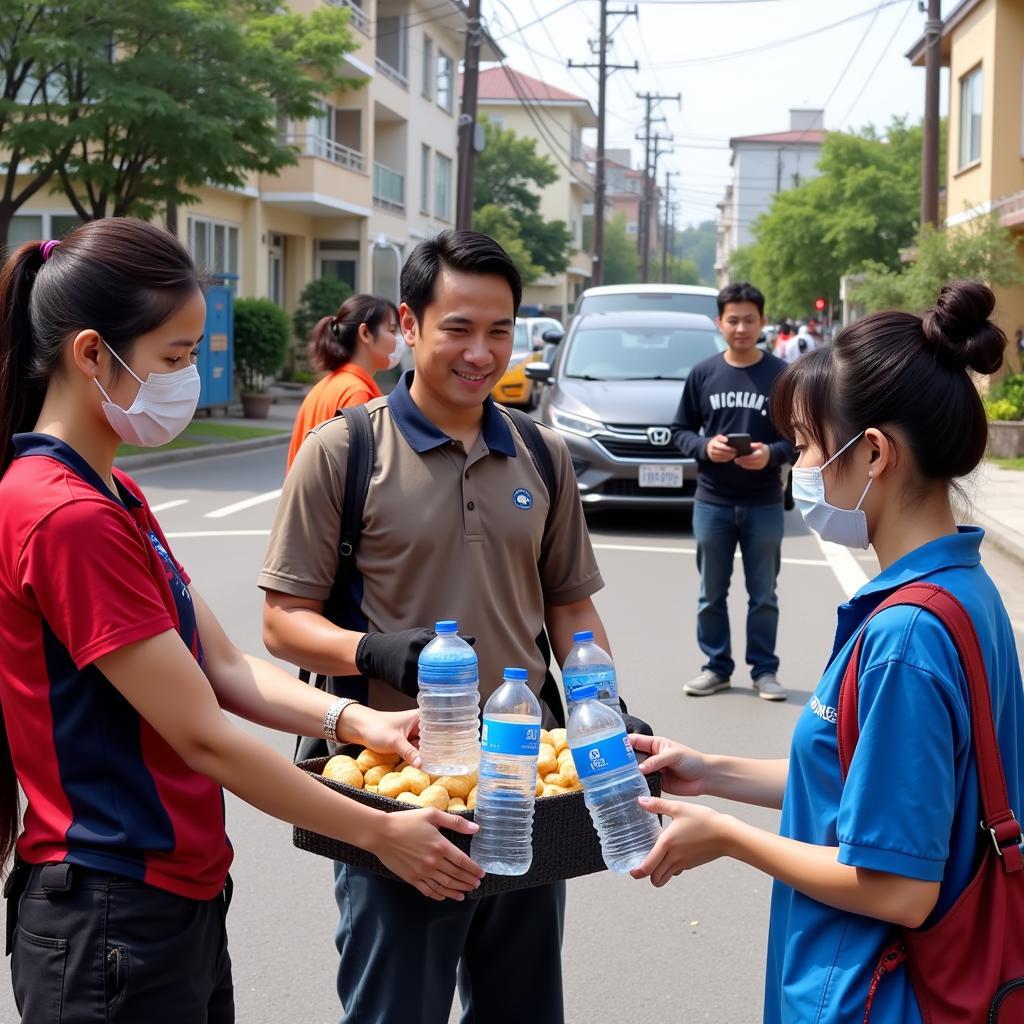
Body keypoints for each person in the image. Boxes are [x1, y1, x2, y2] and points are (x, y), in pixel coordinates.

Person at [0, 220, 482, 1023]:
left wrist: (360, 721)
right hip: (112, 906)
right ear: (92, 354)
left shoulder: (112, 496)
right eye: (174, 358)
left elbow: (219, 666)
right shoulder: (63, 515)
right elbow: (203, 734)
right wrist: (378, 831)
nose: (190, 378)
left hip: (165, 898)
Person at [629, 280, 1024, 1023]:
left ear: (872, 453)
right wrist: (709, 772)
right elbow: (863, 788)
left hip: (879, 992)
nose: (799, 466)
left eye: (808, 445)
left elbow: (898, 887)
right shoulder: (965, 592)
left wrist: (730, 841)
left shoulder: (906, 639)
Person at [259, 229, 614, 1024]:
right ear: (409, 326)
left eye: (499, 330)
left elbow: (569, 606)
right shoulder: (344, 452)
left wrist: (606, 708)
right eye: (457, 328)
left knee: (521, 1007)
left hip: (528, 784)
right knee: (397, 1009)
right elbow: (282, 623)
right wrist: (374, 649)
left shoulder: (543, 455)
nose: (481, 352)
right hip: (396, 793)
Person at [671, 281, 794, 702]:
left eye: (749, 320)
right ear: (719, 323)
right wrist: (706, 447)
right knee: (711, 594)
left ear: (762, 321)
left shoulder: (781, 374)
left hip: (763, 502)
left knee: (764, 595)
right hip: (713, 500)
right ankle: (716, 667)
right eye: (733, 320)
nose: (741, 328)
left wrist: (771, 454)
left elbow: (800, 437)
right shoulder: (703, 373)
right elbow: (679, 431)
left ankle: (764, 671)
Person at [286, 293, 402, 470]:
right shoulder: (358, 393)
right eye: (392, 331)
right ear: (365, 333)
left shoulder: (327, 386)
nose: (398, 340)